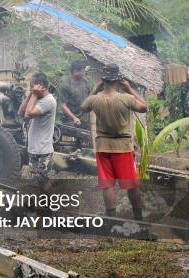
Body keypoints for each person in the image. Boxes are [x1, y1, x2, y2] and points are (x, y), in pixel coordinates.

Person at [80, 64, 148, 220]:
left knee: (107, 185)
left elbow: (83, 108)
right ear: (118, 81)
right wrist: (130, 88)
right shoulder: (127, 98)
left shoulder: (94, 99)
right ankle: (139, 220)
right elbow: (144, 107)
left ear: (102, 81)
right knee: (131, 185)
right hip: (123, 147)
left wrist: (94, 90)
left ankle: (111, 222)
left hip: (103, 147)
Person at [18, 72, 57, 193]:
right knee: (36, 181)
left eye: (32, 86)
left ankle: (53, 204)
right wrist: (31, 94)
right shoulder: (38, 98)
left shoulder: (48, 101)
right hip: (35, 148)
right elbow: (21, 112)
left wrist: (34, 94)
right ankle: (43, 206)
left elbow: (28, 114)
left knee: (42, 180)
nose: (31, 89)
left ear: (40, 86)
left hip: (43, 151)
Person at [60, 60, 92, 130]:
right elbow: (63, 105)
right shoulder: (65, 85)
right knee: (69, 139)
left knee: (85, 139)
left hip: (85, 121)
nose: (84, 73)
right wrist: (74, 118)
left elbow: (91, 97)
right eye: (83, 71)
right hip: (71, 121)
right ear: (75, 71)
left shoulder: (86, 82)